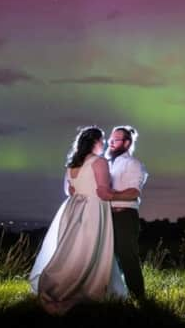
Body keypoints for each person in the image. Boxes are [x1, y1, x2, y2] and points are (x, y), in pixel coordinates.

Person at [29, 126, 128, 314]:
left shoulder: (73, 164)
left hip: (73, 209)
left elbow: (69, 191)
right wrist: (127, 195)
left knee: (72, 249)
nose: (104, 143)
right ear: (95, 142)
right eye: (102, 140)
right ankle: (87, 285)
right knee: (90, 248)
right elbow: (103, 192)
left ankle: (61, 281)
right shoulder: (100, 162)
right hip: (93, 209)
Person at [105, 125, 148, 300]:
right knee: (107, 257)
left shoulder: (134, 164)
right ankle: (113, 294)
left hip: (124, 217)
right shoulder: (107, 164)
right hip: (107, 217)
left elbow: (134, 192)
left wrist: (111, 195)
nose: (111, 143)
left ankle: (138, 296)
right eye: (110, 140)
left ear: (127, 143)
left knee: (127, 256)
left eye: (115, 140)